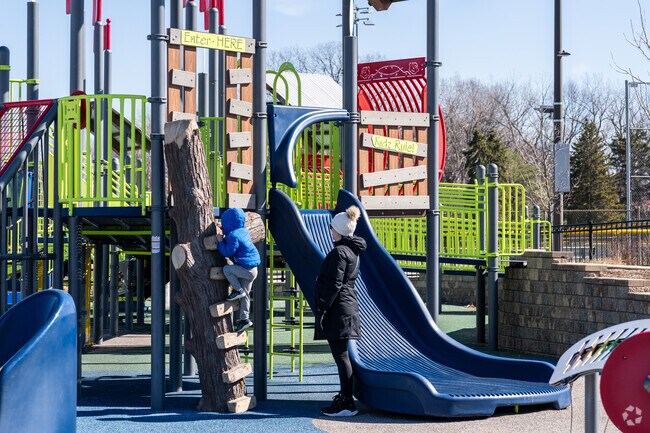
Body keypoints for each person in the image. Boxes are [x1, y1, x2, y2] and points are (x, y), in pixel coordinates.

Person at [315, 205, 367, 417]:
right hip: (347, 306)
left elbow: (334, 284)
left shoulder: (339, 252)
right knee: (342, 355)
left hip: (339, 308)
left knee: (341, 355)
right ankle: (345, 398)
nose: (330, 231)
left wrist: (323, 305)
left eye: (332, 228)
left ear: (339, 230)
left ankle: (346, 402)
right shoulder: (352, 250)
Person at [217, 208, 261, 333]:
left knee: (227, 270)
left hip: (245, 269)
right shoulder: (243, 231)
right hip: (253, 270)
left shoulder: (233, 235)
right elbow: (233, 235)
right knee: (246, 296)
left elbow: (228, 251)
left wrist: (220, 241)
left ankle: (238, 290)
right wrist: (223, 229)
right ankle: (245, 319)